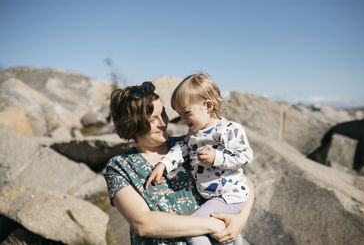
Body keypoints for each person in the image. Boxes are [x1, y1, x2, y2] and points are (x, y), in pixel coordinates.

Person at [104, 80, 255, 245]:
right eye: (153, 119)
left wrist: (241, 218)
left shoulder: (189, 144)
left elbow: (243, 180)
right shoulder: (119, 167)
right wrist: (214, 225)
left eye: (163, 114)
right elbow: (143, 223)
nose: (163, 123)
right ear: (132, 124)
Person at [146, 73, 253, 245]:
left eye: (186, 113)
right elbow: (180, 149)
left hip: (229, 196)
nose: (182, 119)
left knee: (194, 231)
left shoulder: (229, 129)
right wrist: (163, 164)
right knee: (221, 233)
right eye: (179, 114)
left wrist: (216, 157)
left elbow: (245, 156)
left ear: (208, 106)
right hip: (212, 197)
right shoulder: (193, 134)